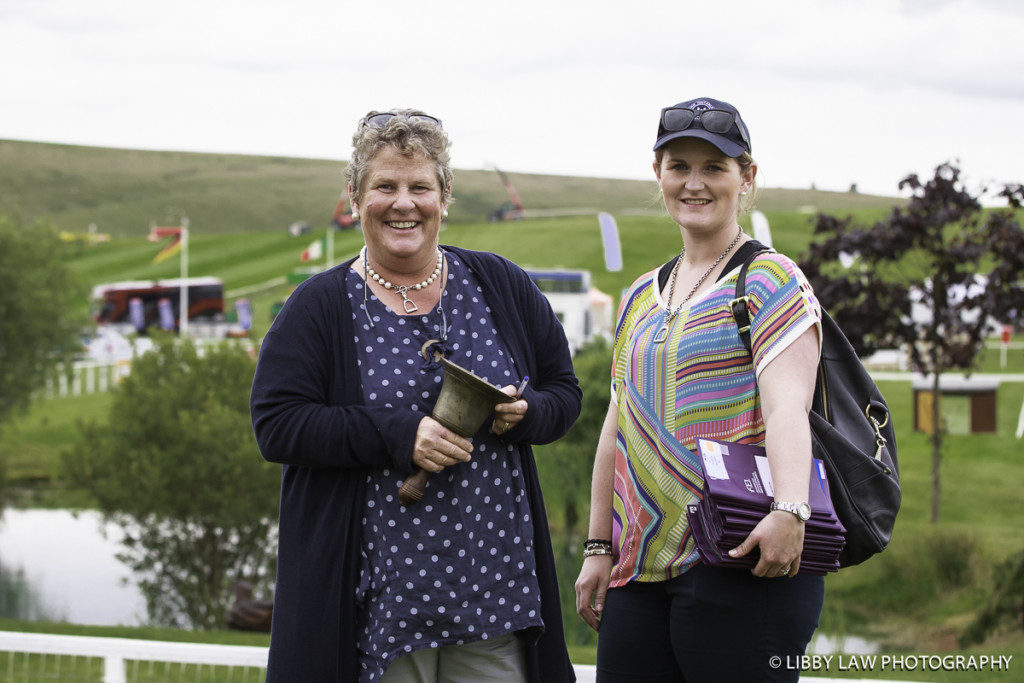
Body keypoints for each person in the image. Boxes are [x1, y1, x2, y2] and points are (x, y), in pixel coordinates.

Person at [251, 109, 581, 682]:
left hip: (493, 593)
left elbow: (564, 394)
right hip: (378, 605)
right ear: (356, 199)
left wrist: (526, 414)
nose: (403, 203)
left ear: (444, 196)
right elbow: (277, 424)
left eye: (419, 186)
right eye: (384, 186)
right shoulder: (319, 306)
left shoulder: (499, 284)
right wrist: (398, 434)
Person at [574, 97, 825, 682]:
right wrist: (597, 547)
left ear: (747, 177)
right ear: (658, 175)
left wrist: (791, 511)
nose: (694, 183)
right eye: (679, 166)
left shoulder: (770, 279)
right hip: (639, 570)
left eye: (714, 167)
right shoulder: (640, 295)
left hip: (739, 560)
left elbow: (790, 408)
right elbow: (619, 428)